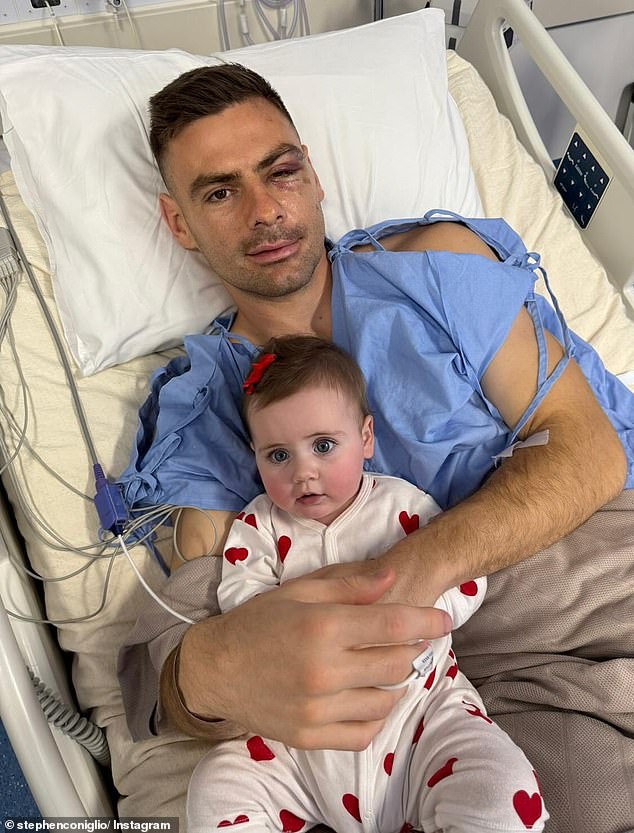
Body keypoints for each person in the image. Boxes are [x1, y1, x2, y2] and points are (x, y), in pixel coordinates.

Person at [117, 61, 632, 803]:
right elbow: (175, 664)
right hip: (478, 682)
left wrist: (397, 577)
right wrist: (219, 665)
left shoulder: (434, 267)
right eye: (221, 192)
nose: (264, 210)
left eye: (280, 171)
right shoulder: (209, 405)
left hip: (597, 566)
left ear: (315, 177)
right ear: (179, 223)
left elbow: (588, 450)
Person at [185, 334, 548, 833]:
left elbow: (462, 580)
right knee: (215, 787)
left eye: (324, 446)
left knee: (500, 788)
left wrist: (412, 614)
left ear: (367, 437)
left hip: (420, 716)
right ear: (255, 456)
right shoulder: (259, 526)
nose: (304, 472)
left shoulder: (401, 505)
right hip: (301, 744)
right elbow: (242, 604)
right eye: (277, 456)